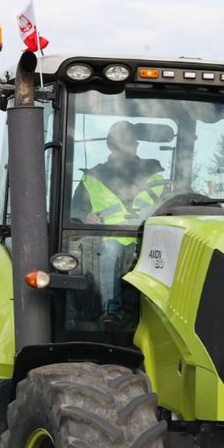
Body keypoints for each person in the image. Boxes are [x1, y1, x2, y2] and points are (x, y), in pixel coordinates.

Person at [70, 121, 167, 325]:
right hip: (106, 238)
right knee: (110, 250)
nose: (127, 148)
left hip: (146, 237)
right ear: (110, 146)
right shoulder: (92, 177)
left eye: (130, 143)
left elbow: (170, 206)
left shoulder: (154, 177)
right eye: (121, 144)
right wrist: (86, 216)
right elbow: (74, 210)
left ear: (136, 145)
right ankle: (111, 310)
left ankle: (161, 314)